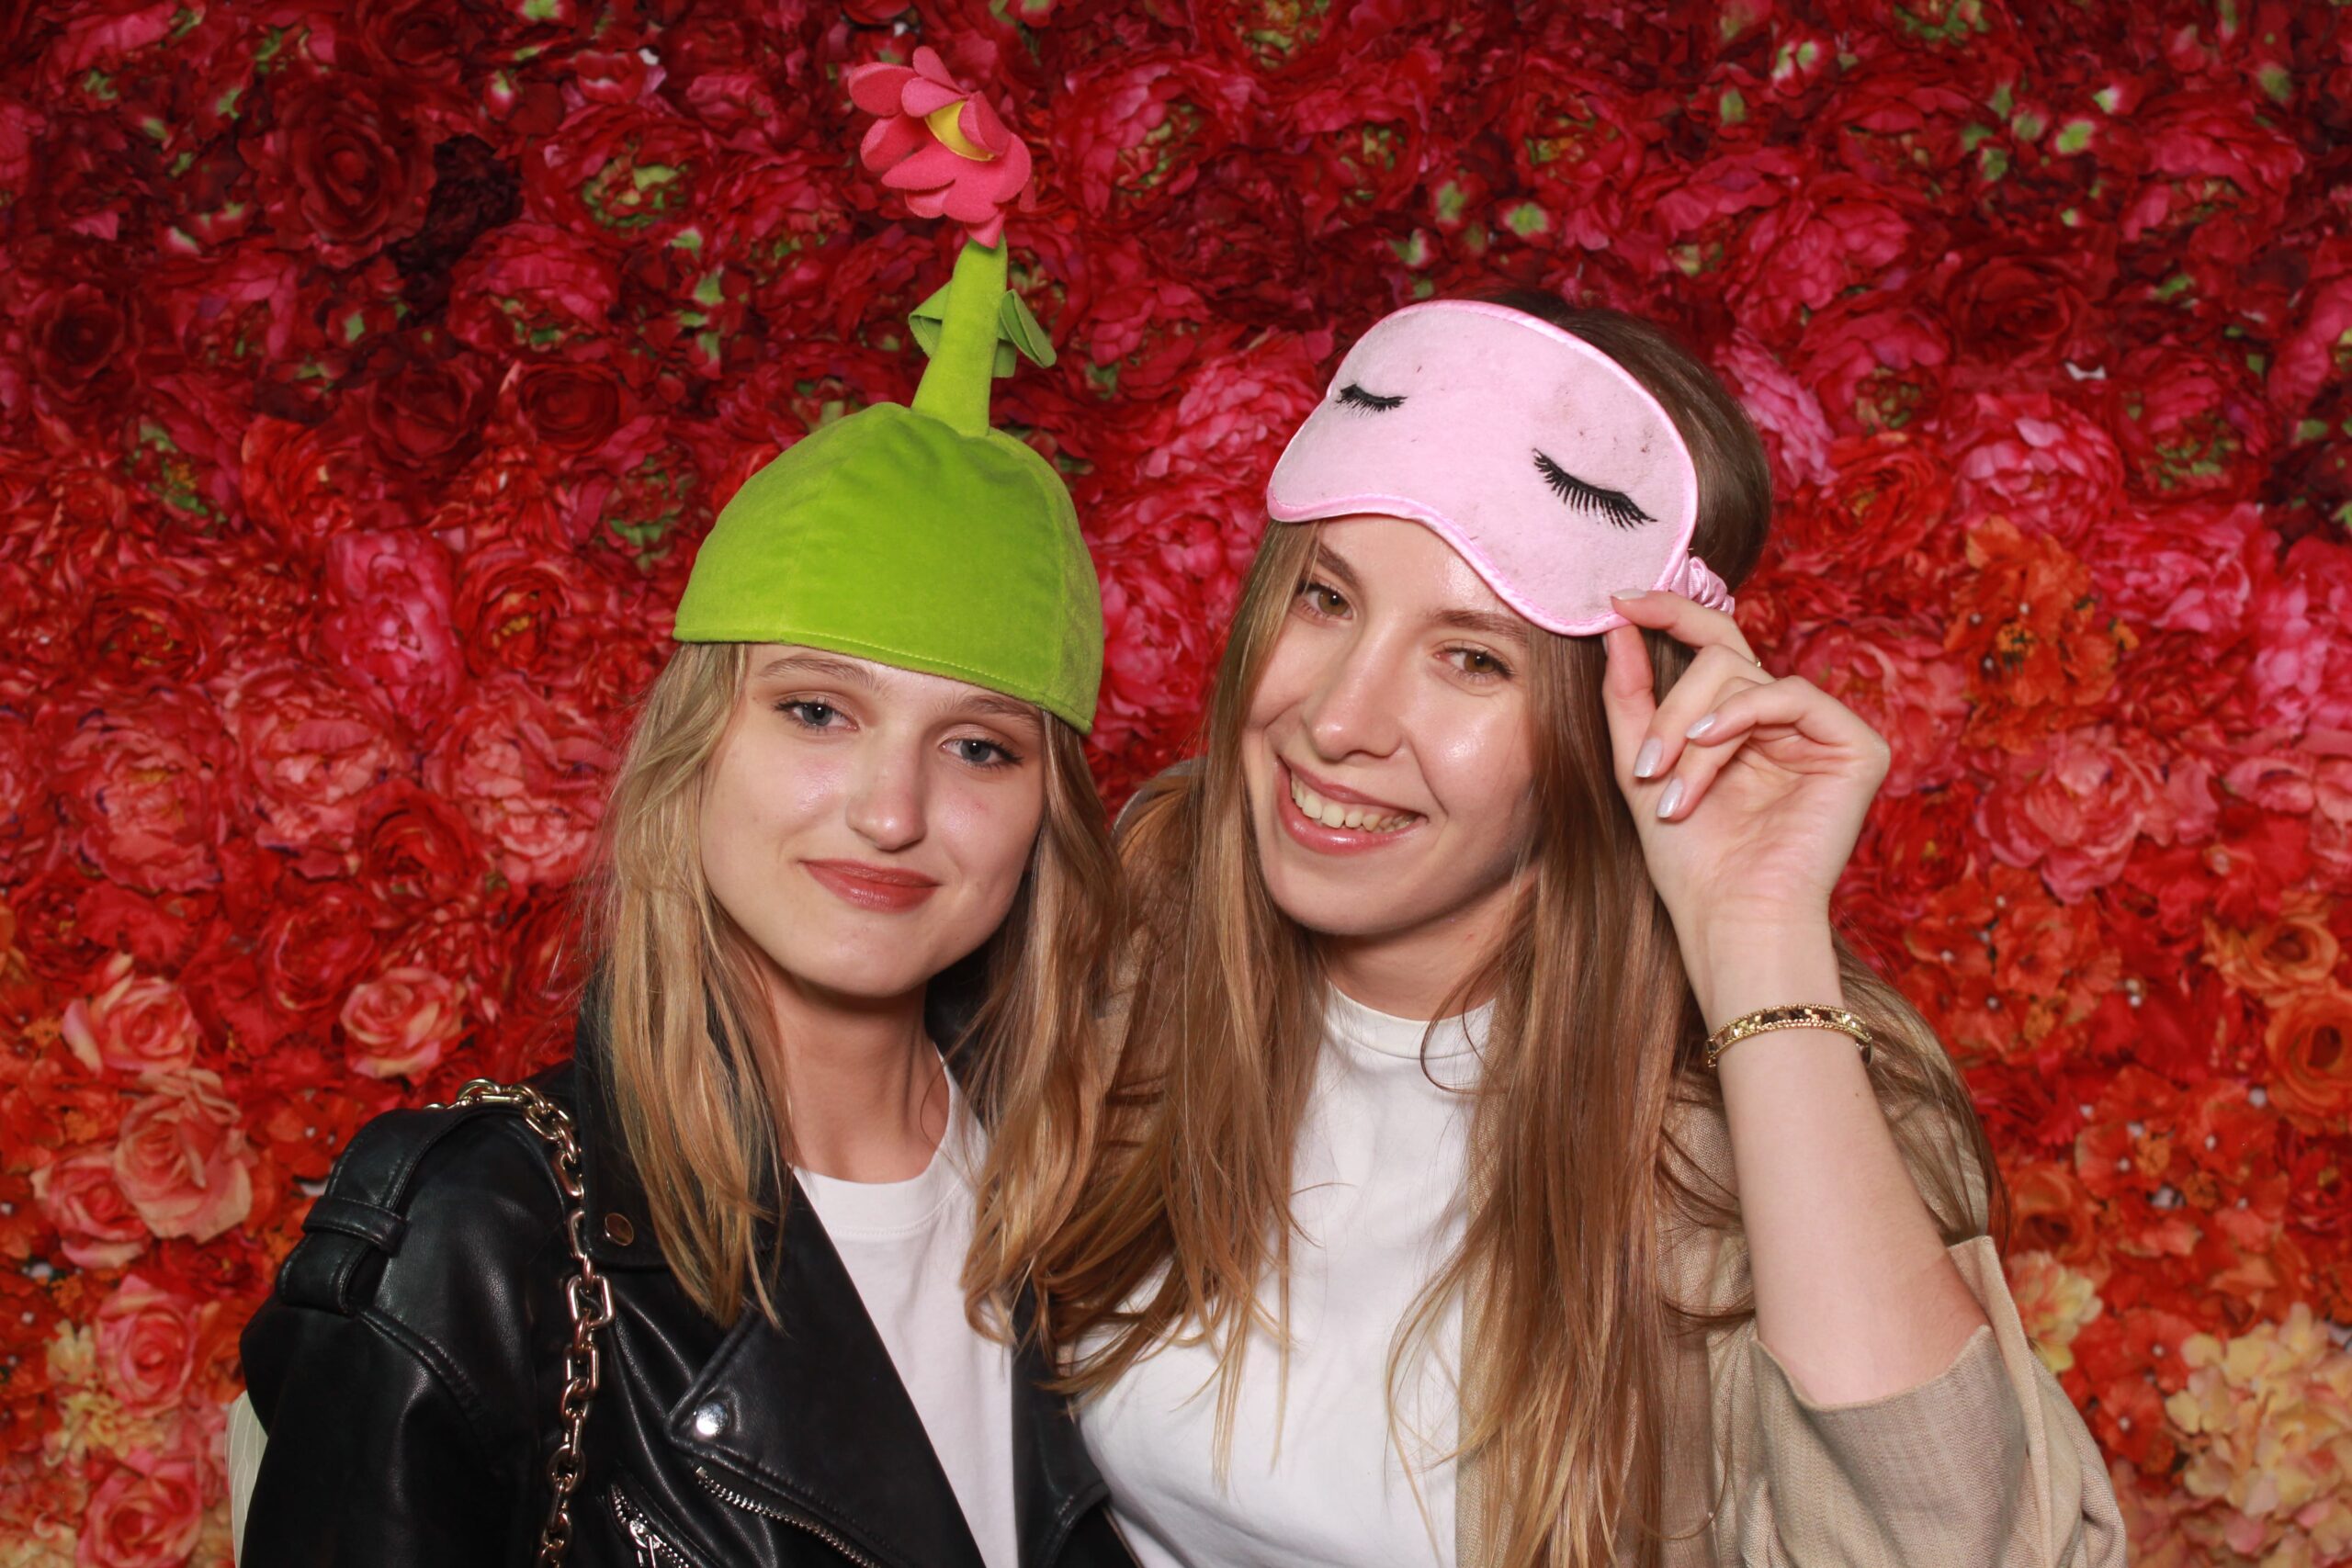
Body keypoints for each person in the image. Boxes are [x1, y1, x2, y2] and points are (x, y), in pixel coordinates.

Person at [1011, 295, 2130, 1567]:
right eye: (1325, 598)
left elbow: (1953, 1549)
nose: (1337, 721)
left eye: (1474, 660)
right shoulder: (1145, 926)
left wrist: (1759, 941)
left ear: (1617, 718)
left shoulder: (1746, 1110)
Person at [233, 54, 1131, 1568]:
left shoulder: (1104, 1211)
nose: (891, 810)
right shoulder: (470, 1240)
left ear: (1051, 816)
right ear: (693, 748)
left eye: (981, 747)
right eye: (817, 711)